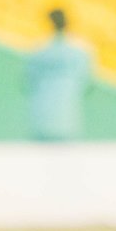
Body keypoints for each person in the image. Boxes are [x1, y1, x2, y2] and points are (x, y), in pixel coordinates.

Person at [26, 8, 95, 142]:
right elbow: (87, 84)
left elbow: (28, 81)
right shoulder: (80, 52)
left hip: (42, 117)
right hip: (68, 118)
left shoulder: (39, 51)